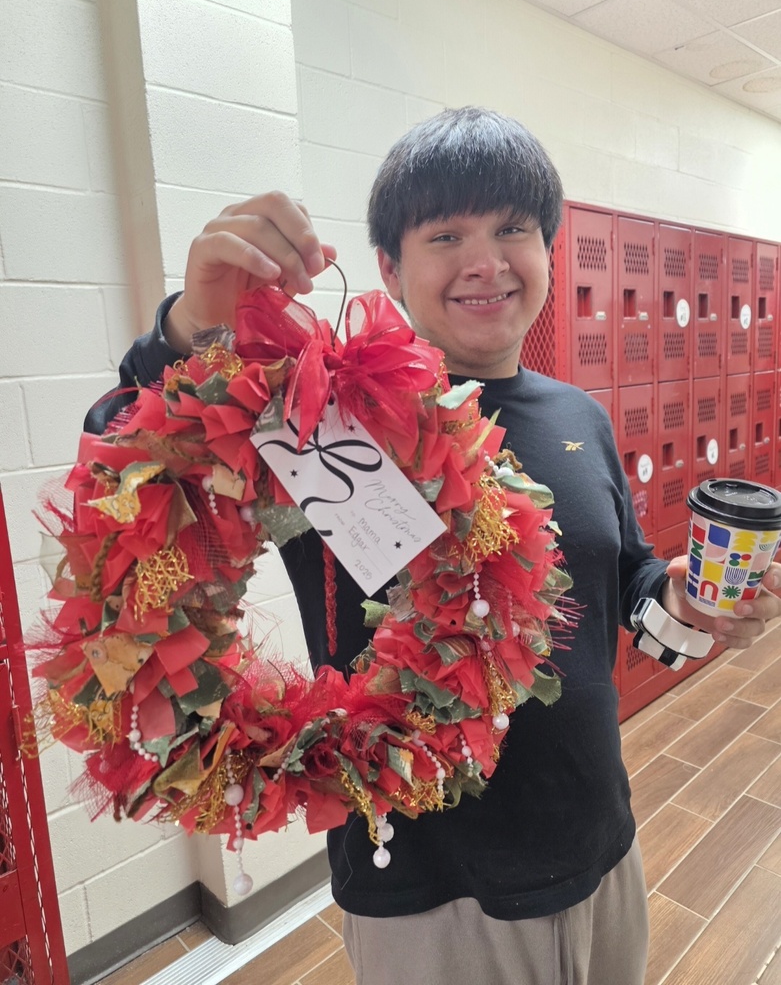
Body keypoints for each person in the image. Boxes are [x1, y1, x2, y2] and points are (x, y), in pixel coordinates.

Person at [86, 107, 781, 985]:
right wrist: (188, 329)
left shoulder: (579, 417)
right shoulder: (323, 422)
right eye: (445, 233)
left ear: (549, 249)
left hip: (598, 843)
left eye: (512, 229)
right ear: (388, 266)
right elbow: (129, 465)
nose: (486, 261)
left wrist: (680, 602)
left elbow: (625, 584)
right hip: (429, 893)